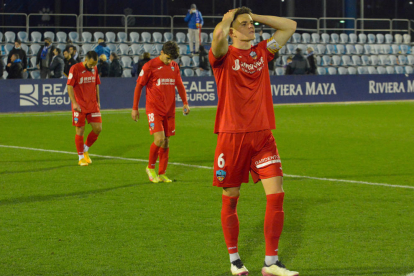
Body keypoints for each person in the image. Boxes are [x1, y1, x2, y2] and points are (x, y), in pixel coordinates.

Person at [209, 7, 299, 276]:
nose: (251, 27)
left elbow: (289, 26)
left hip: (262, 136)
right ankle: (235, 259)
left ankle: (271, 262)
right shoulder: (223, 56)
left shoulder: (262, 52)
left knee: (277, 194)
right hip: (232, 137)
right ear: (233, 31)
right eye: (245, 24)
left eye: (252, 24)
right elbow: (216, 39)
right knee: (231, 197)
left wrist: (255, 16)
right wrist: (228, 20)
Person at [131, 41, 190, 183]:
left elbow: (180, 85)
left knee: (166, 142)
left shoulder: (174, 66)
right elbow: (139, 86)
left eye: (172, 59)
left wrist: (185, 102)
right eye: (168, 58)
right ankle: (150, 168)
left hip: (169, 109)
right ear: (162, 52)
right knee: (159, 139)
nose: (169, 61)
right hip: (154, 108)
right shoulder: (149, 66)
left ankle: (162, 173)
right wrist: (135, 108)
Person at [67, 51, 102, 166]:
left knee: (98, 128)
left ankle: (85, 148)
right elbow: (69, 86)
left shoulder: (94, 69)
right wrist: (74, 103)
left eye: (94, 64)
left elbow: (96, 84)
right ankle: (81, 157)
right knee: (80, 130)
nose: (93, 66)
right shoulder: (75, 68)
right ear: (86, 59)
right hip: (80, 105)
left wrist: (98, 101)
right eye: (91, 64)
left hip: (92, 104)